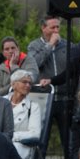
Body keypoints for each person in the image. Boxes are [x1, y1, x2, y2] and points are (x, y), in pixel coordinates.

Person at [28, 15, 69, 150]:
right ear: (43, 28)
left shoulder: (67, 45)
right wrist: (50, 45)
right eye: (53, 27)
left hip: (63, 97)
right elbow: (35, 63)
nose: (56, 30)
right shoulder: (34, 45)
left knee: (67, 137)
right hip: (44, 97)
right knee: (42, 137)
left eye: (58, 27)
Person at [6, 69, 41, 159]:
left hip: (20, 146)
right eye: (24, 82)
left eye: (30, 83)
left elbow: (35, 133)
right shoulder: (1, 101)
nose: (28, 85)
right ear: (13, 84)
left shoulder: (33, 107)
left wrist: (12, 136)